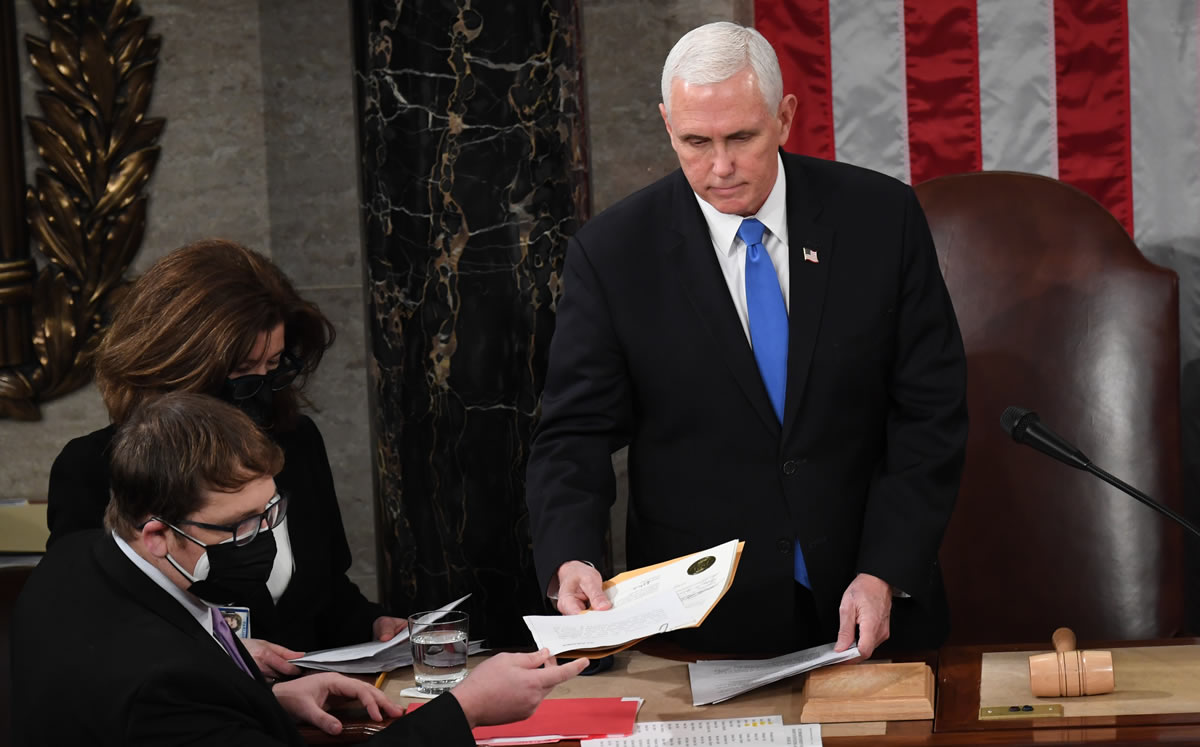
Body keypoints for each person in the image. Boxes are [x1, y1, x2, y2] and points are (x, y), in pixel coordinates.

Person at [526, 22, 968, 658]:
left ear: (784, 117)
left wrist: (887, 570)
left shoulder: (881, 219)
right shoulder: (613, 255)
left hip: (874, 606)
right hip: (704, 631)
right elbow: (574, 434)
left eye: (741, 137)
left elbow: (931, 413)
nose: (721, 166)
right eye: (695, 142)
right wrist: (571, 557)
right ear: (667, 125)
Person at [12, 392, 588, 746]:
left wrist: (265, 702)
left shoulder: (76, 559)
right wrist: (465, 709)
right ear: (158, 534)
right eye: (238, 527)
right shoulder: (161, 685)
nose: (264, 539)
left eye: (270, 512)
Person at [45, 239, 405, 678]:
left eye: (272, 367)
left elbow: (323, 592)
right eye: (239, 371)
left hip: (315, 702)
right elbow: (94, 629)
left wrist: (374, 626)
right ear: (175, 367)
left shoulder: (297, 443)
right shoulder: (92, 468)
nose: (258, 392)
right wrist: (223, 655)